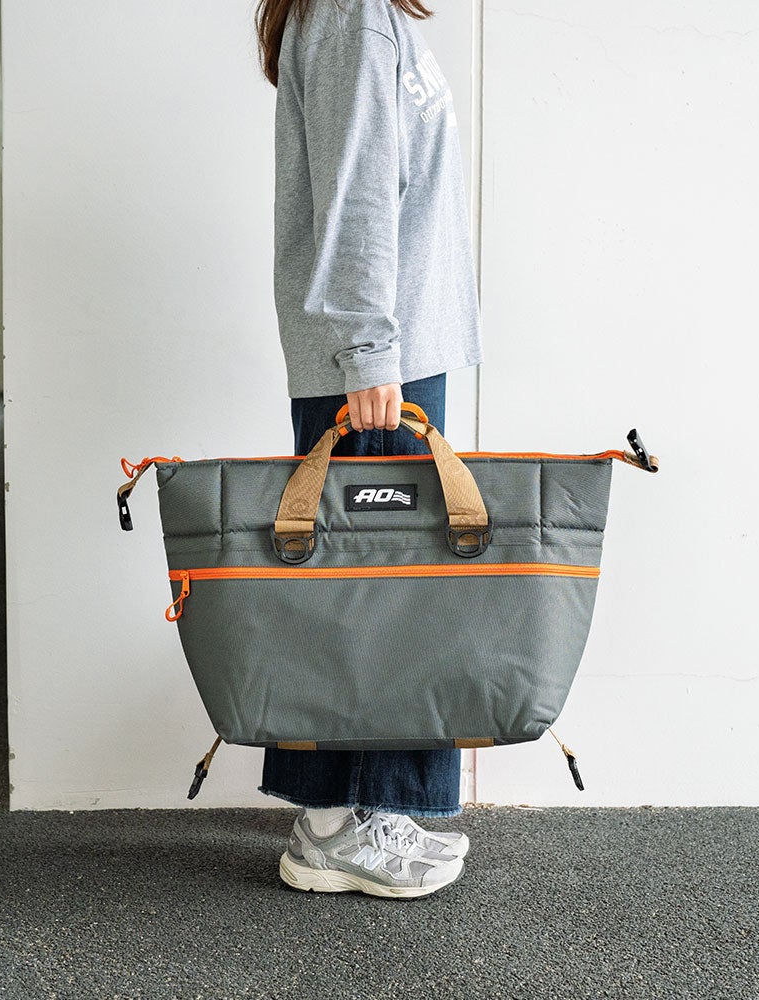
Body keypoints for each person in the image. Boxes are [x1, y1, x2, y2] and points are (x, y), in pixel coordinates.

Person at [253, 0, 484, 897]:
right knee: (370, 595)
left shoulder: (370, 16)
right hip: (378, 362)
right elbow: (355, 196)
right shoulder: (351, 16)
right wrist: (368, 353)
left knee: (382, 588)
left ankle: (364, 810)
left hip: (395, 353)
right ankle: (331, 828)